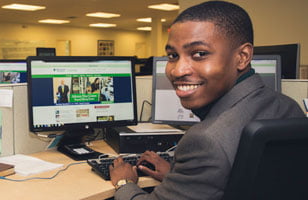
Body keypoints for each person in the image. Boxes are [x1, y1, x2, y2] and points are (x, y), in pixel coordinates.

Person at [109, 1, 305, 200]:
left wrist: (124, 183)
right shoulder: (287, 107)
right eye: (172, 55)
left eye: (199, 54)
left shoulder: (204, 141)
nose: (177, 70)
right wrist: (180, 176)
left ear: (242, 57)